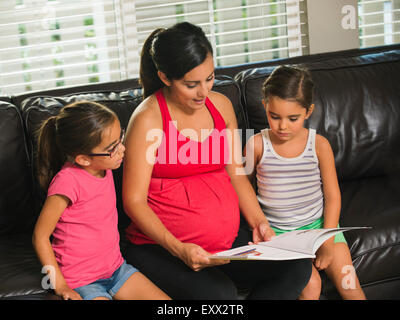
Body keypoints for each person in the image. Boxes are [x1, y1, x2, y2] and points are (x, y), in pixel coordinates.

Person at [122, 21, 311, 300]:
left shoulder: (221, 106)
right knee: (220, 294)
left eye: (209, 78)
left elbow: (236, 174)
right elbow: (133, 201)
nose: (203, 92)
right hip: (162, 248)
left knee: (296, 266)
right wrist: (179, 248)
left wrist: (259, 222)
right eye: (191, 84)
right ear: (164, 77)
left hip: (225, 244)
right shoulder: (148, 119)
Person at [244, 65, 366, 300]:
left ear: (308, 111)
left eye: (293, 118)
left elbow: (332, 196)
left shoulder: (319, 145)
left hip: (320, 227)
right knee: (310, 286)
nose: (282, 126)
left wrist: (327, 240)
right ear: (264, 106)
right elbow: (243, 190)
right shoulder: (255, 145)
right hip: (279, 235)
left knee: (350, 285)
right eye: (274, 116)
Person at [32, 101, 170, 300]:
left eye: (120, 138)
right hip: (81, 281)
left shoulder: (105, 166)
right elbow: (40, 236)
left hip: (117, 270)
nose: (122, 149)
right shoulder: (67, 181)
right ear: (83, 159)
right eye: (113, 147)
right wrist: (60, 285)